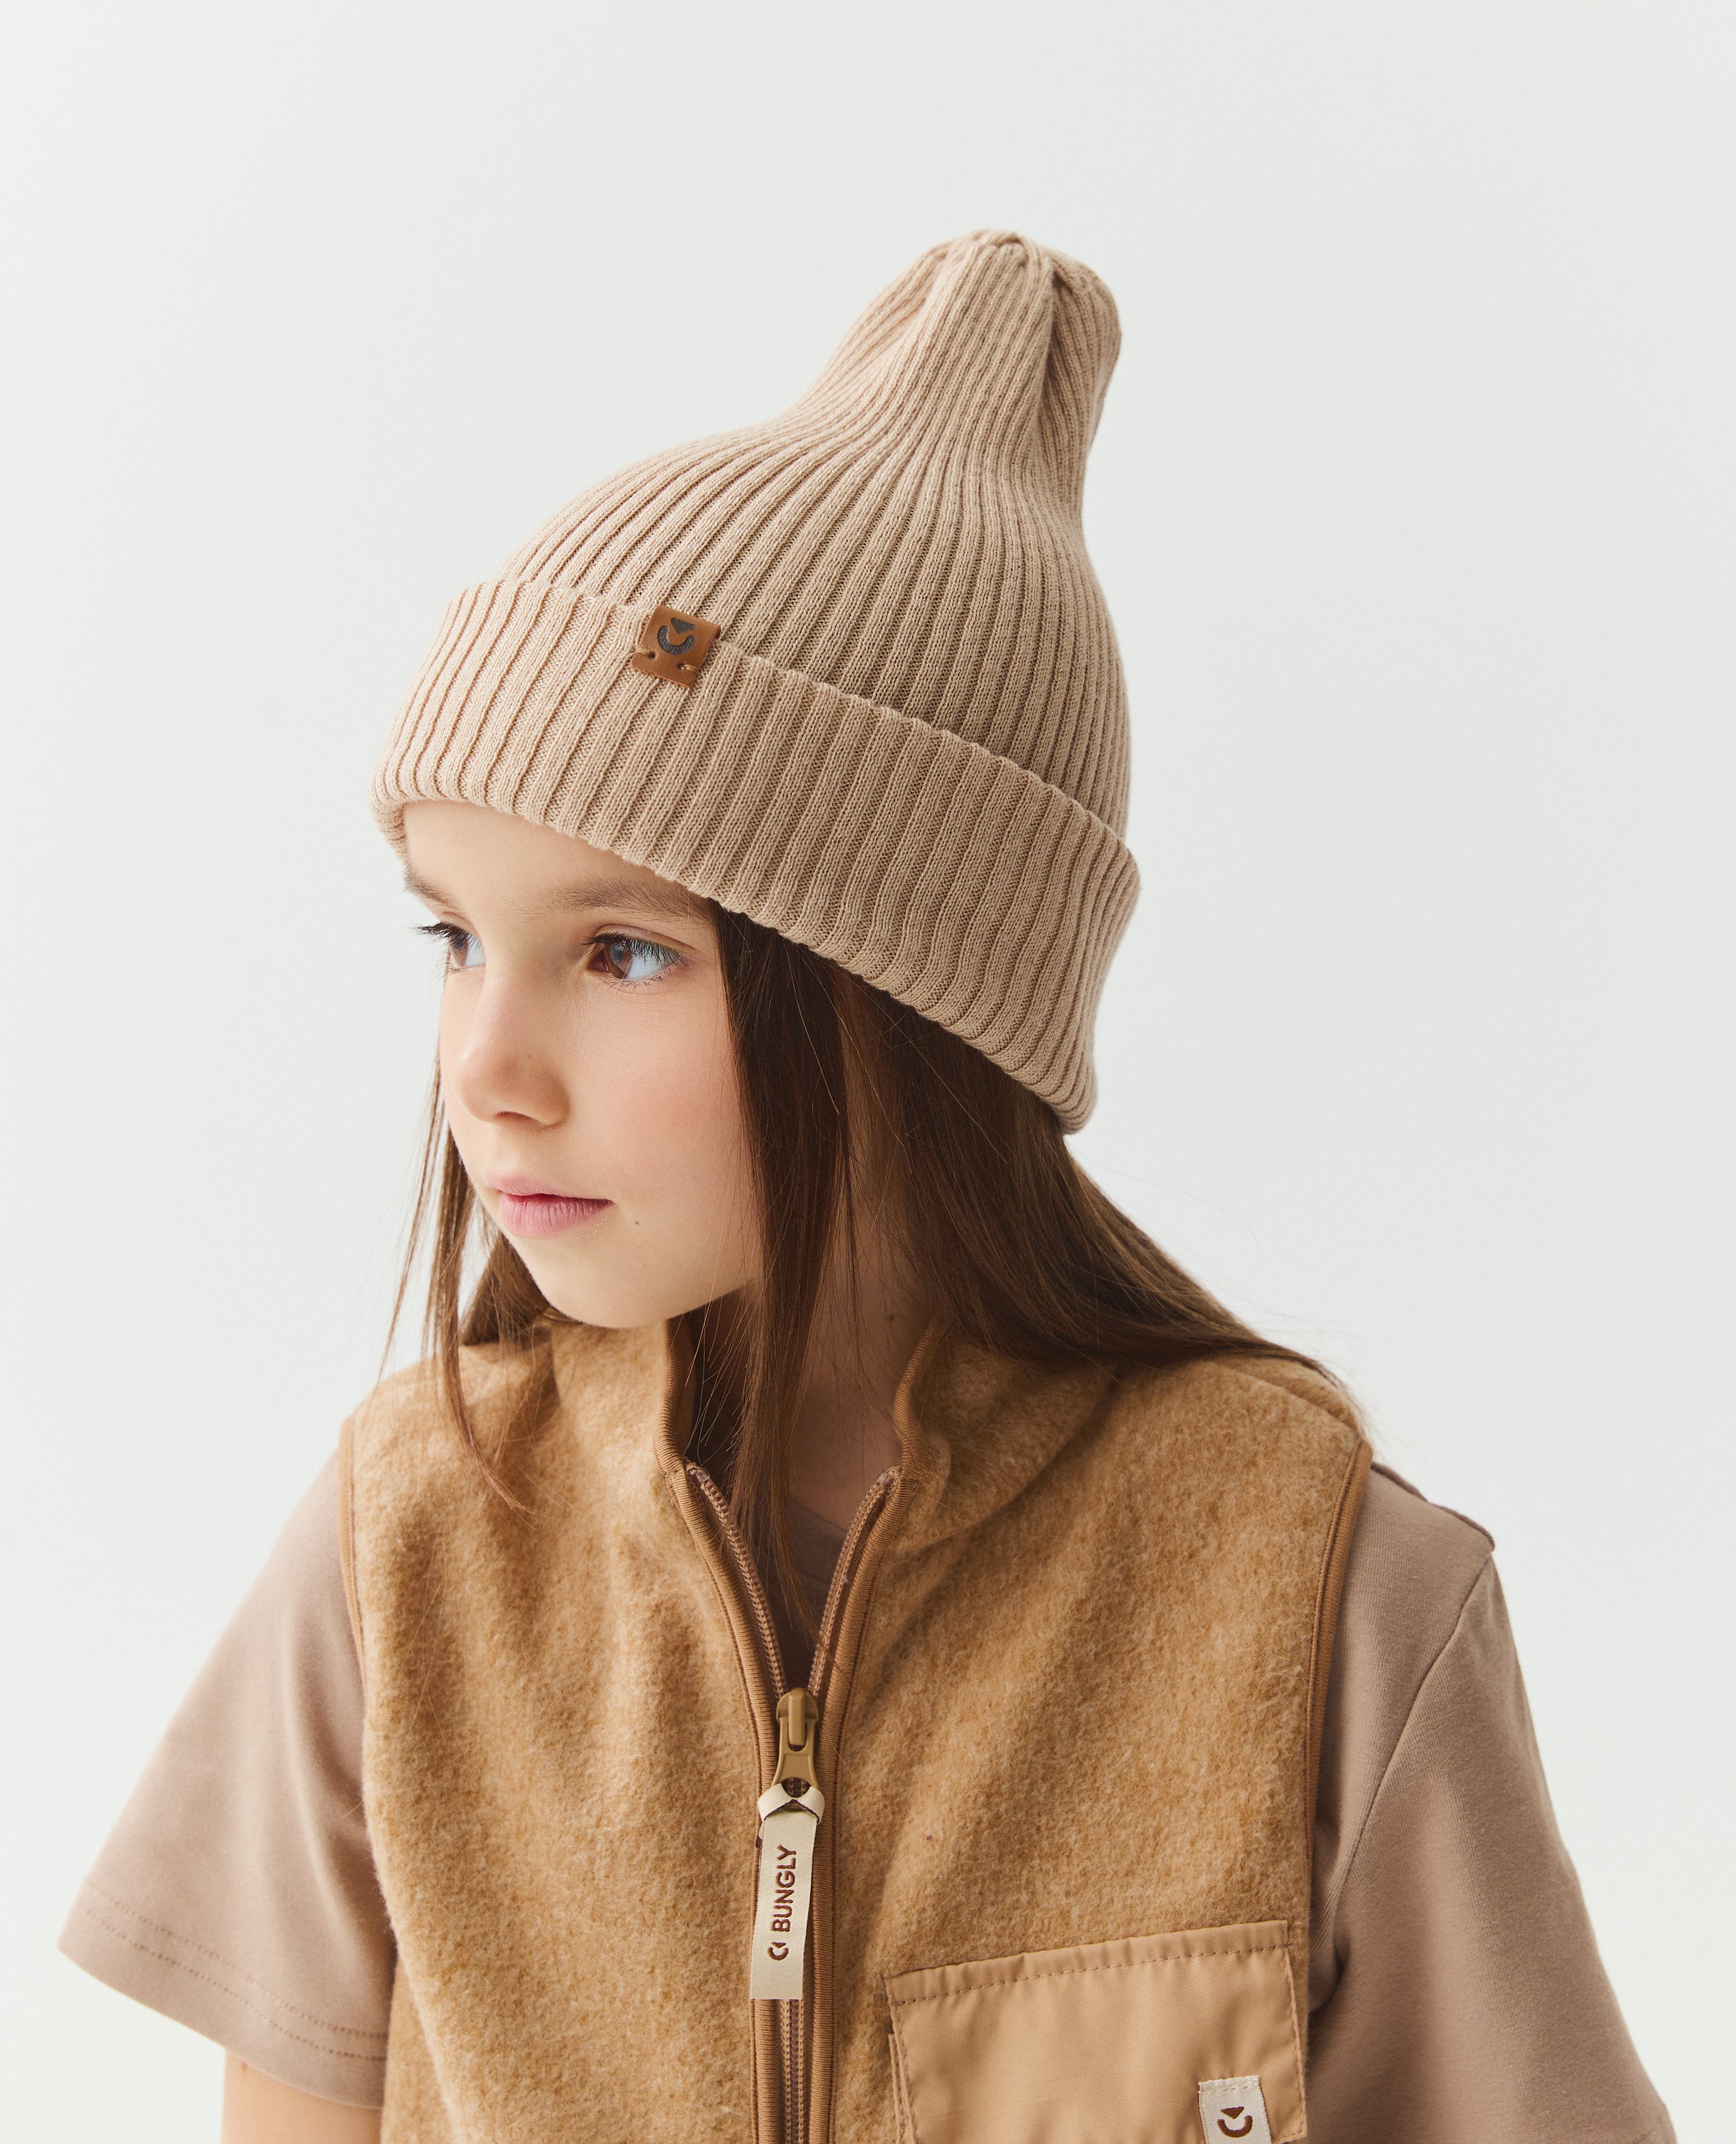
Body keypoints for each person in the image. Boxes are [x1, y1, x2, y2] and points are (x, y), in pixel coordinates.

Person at [62, 233, 1672, 2144]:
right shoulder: (401, 1551)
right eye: (456, 937)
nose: (486, 1066)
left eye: (623, 953)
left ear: (918, 1003)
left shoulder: (1316, 1590)